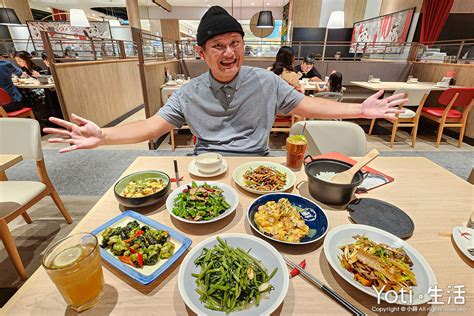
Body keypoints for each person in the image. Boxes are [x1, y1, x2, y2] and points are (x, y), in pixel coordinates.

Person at [44, 6, 406, 156]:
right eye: (218, 46)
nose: (229, 52)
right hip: (205, 168)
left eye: (235, 43)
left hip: (258, 164)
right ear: (201, 53)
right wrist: (104, 135)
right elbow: (152, 127)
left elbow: (307, 105)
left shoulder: (266, 82)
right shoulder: (189, 92)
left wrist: (359, 107)